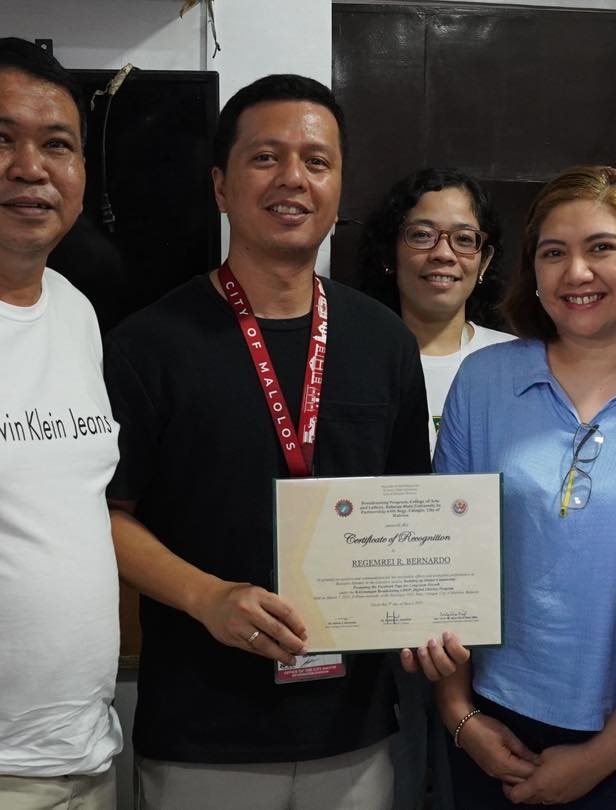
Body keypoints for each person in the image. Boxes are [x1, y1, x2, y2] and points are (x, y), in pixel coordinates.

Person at [104, 74, 431, 810]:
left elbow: (409, 506)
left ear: (340, 188)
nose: (293, 178)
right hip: (203, 733)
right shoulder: (147, 343)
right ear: (220, 186)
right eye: (265, 158)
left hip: (353, 732)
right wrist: (208, 596)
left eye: (317, 161)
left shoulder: (384, 340)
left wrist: (432, 608)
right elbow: (107, 514)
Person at [404, 165, 616, 808]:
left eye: (601, 248)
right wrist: (460, 716)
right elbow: (443, 558)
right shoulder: (483, 382)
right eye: (553, 253)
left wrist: (605, 754)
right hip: (490, 720)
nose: (576, 273)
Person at [0, 38, 121, 808]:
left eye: (57, 145)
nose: (30, 168)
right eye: (1, 139)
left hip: (84, 754)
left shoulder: (76, 310)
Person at [359, 168, 514, 454]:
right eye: (422, 235)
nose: (443, 253)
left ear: (484, 262)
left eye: (464, 239)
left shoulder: (518, 364)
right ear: (389, 253)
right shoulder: (356, 362)